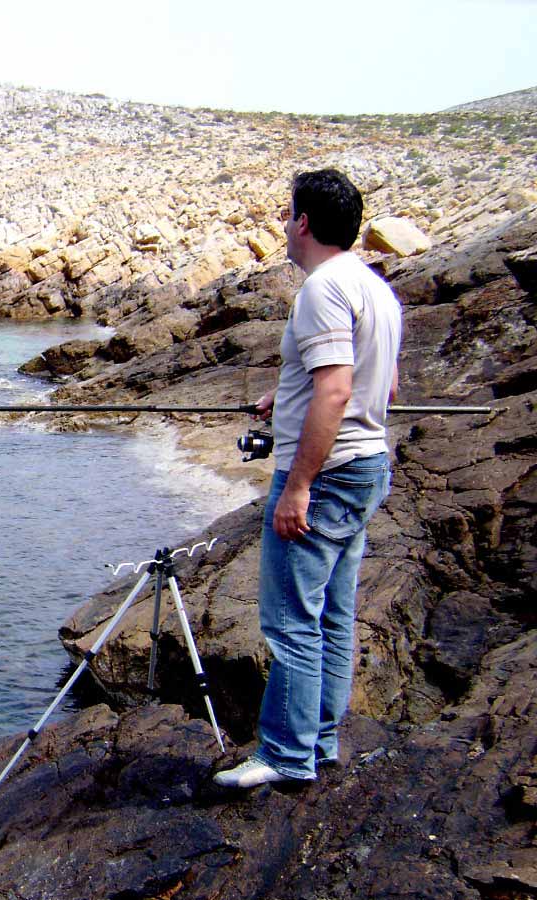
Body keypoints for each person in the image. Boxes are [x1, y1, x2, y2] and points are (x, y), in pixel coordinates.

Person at [214, 169, 402, 789]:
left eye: (286, 212)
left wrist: (297, 486)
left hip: (327, 478)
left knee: (291, 620)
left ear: (302, 222)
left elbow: (338, 388)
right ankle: (319, 743)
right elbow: (382, 384)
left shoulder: (322, 290)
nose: (283, 223)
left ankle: (287, 756)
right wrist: (285, 395)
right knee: (332, 615)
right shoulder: (376, 289)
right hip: (369, 465)